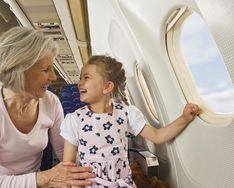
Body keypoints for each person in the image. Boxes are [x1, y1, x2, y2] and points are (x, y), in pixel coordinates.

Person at [0, 26, 96, 188]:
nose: (53, 77)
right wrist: (46, 178)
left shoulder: (51, 103)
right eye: (46, 69)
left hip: (30, 181)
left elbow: (66, 155)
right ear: (19, 71)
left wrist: (107, 170)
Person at [60, 55, 200, 187]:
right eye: (80, 78)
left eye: (86, 78)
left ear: (107, 87)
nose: (79, 83)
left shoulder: (126, 114)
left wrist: (184, 118)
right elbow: (69, 168)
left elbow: (158, 136)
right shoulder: (75, 120)